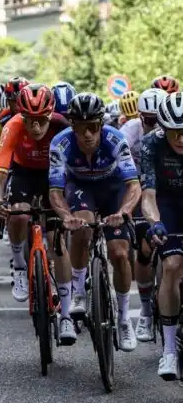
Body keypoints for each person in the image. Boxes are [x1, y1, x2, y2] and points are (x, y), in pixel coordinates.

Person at [48, 92, 141, 351]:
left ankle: (123, 319)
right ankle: (79, 290)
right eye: (80, 127)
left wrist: (123, 211)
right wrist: (66, 217)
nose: (87, 133)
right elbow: (55, 191)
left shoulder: (116, 139)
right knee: (81, 226)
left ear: (101, 125)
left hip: (113, 189)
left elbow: (133, 186)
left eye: (93, 127)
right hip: (80, 188)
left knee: (120, 253)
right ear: (72, 127)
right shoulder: (60, 143)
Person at [0, 84, 74, 343]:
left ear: (50, 115)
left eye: (41, 122)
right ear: (21, 116)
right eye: (30, 121)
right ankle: (18, 263)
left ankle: (67, 315)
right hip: (24, 172)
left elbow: (74, 167)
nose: (36, 128)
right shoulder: (13, 126)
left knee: (57, 241)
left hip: (53, 175)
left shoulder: (62, 126)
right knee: (18, 214)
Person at [140, 92, 183, 380]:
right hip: (166, 204)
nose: (180, 139)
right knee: (172, 265)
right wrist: (155, 222)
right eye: (174, 133)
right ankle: (168, 352)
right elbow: (148, 195)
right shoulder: (150, 144)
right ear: (163, 129)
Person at [121, 87, 166, 342]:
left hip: (168, 187)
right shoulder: (130, 132)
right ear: (140, 117)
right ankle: (147, 311)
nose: (155, 125)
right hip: (139, 186)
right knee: (145, 247)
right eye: (149, 120)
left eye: (160, 119)